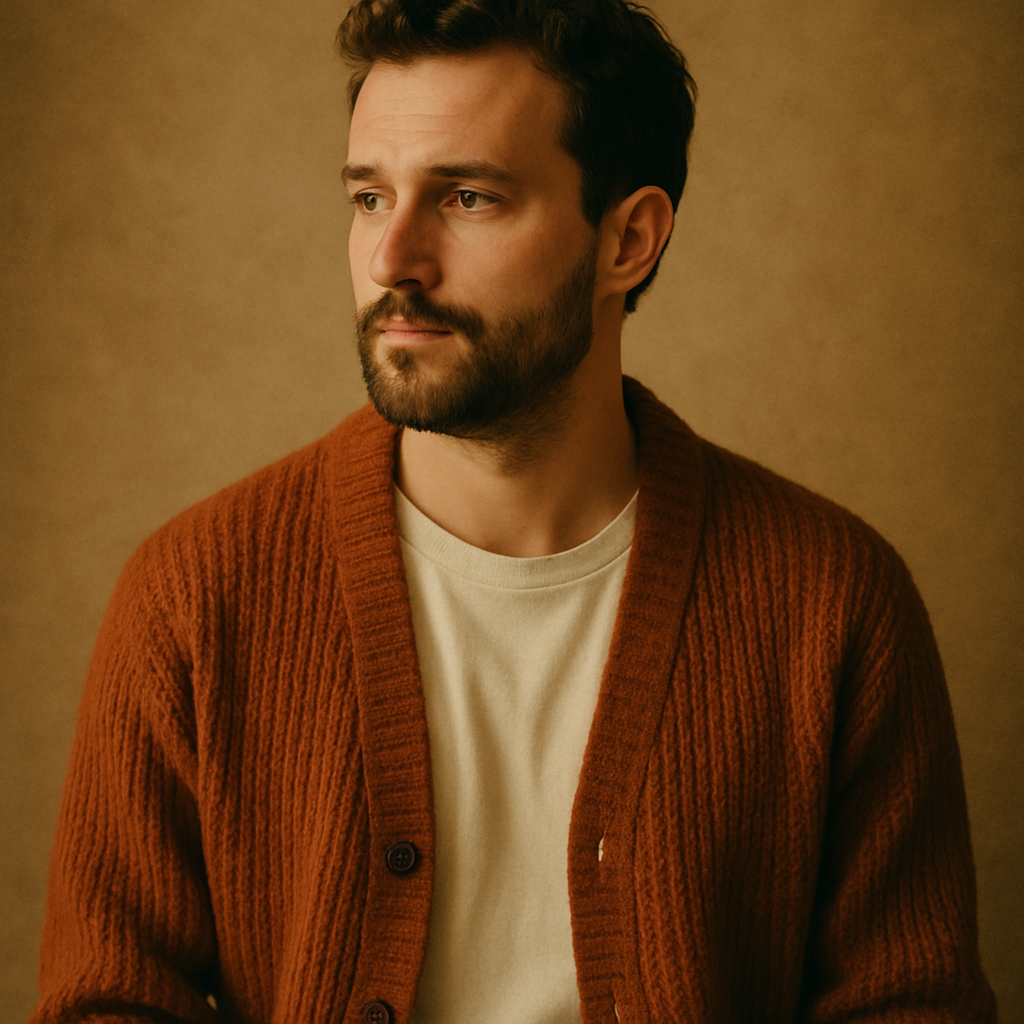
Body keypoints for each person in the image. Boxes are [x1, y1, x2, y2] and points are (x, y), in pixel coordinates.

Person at [32, 1, 996, 1022]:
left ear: (628, 239)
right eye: (368, 196)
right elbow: (109, 1000)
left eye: (470, 198)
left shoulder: (832, 600)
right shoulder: (193, 595)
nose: (391, 258)